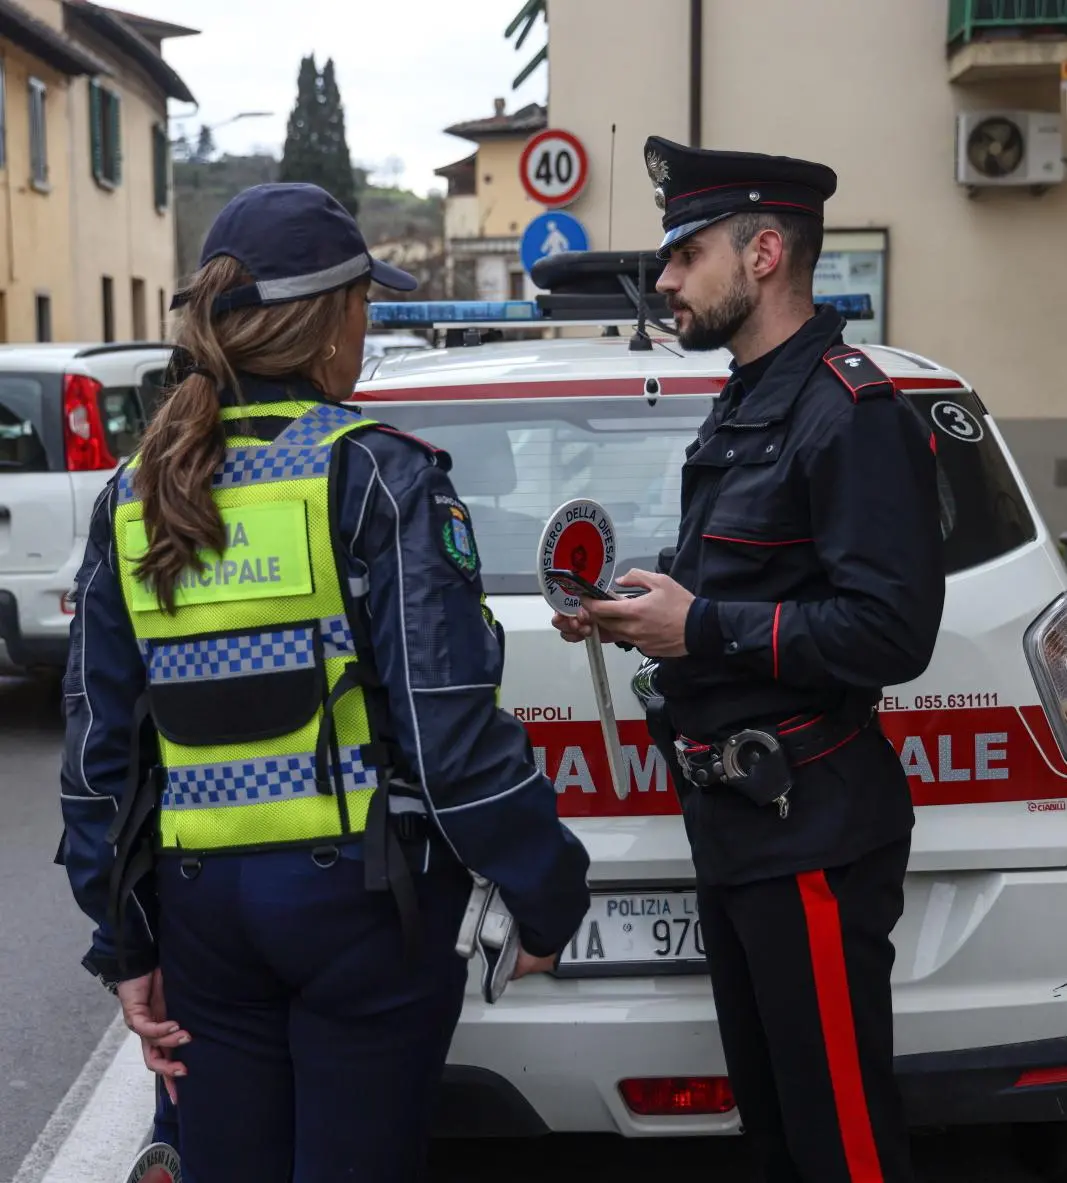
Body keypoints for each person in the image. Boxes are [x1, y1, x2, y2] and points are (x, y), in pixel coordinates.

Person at [58, 181, 591, 1183]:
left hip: (203, 907)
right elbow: (448, 739)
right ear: (328, 322)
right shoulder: (378, 475)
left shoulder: (136, 494)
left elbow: (99, 751)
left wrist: (123, 939)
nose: (365, 325)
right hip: (361, 903)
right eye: (362, 304)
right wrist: (545, 888)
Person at [552, 137, 945, 1183]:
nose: (667, 279)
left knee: (840, 1145)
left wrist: (703, 628)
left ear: (762, 251)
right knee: (772, 1134)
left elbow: (890, 632)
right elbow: (743, 585)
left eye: (684, 254)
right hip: (746, 826)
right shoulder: (751, 393)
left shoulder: (846, 411)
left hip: (809, 828)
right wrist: (635, 608)